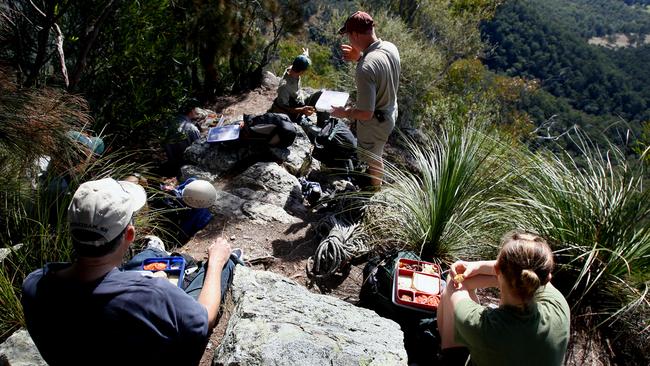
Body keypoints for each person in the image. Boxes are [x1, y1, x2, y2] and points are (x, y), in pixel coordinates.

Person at [21, 178, 237, 365]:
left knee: (149, 255)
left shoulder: (34, 284)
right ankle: (229, 260)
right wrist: (217, 261)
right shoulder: (154, 294)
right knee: (218, 266)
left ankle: (158, 251)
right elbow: (204, 319)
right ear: (129, 234)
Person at [437, 231, 571, 366]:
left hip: (487, 335)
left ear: (497, 268)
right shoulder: (559, 306)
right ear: (547, 277)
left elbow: (456, 283)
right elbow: (525, 275)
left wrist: (479, 267)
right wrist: (481, 268)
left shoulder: (482, 326)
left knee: (450, 286)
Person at [331, 11, 400, 188]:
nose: (348, 40)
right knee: (377, 152)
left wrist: (344, 112)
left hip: (376, 122)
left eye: (348, 35)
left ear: (354, 34)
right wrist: (360, 57)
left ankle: (375, 191)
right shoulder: (390, 47)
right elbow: (379, 72)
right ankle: (374, 183)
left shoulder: (365, 68)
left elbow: (366, 113)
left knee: (373, 159)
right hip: (391, 110)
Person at [269, 48, 322, 123]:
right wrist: (302, 110)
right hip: (292, 109)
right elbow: (283, 107)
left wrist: (305, 55)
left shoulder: (292, 68)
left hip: (300, 100)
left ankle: (321, 123)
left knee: (321, 93)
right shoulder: (284, 87)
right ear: (302, 71)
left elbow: (299, 61)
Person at [163, 98, 202, 176]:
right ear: (192, 111)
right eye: (195, 109)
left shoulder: (170, 123)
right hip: (187, 165)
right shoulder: (192, 128)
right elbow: (199, 149)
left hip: (172, 163)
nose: (197, 112)